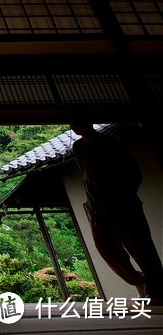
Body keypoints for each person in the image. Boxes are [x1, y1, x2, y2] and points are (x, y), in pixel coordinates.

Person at [70, 112, 163, 299]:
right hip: (97, 206)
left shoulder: (109, 143)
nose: (75, 127)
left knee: (141, 247)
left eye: (78, 123)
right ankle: (141, 280)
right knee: (106, 249)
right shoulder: (78, 147)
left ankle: (157, 288)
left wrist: (123, 196)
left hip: (123, 205)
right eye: (73, 124)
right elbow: (87, 173)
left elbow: (133, 173)